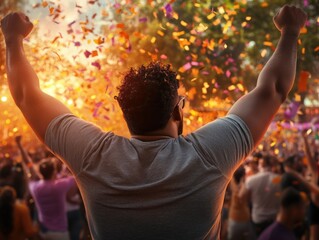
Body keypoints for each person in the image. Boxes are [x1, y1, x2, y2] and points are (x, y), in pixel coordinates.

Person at [0, 5, 307, 239]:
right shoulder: (210, 153)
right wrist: (290, 31)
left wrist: (13, 39)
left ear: (126, 115)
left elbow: (27, 96)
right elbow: (273, 89)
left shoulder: (94, 155)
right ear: (177, 112)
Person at [240, 155, 282, 236]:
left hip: (258, 219)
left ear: (261, 165)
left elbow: (242, 198)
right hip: (275, 219)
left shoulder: (251, 180)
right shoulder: (280, 179)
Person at [228, 166, 255, 240]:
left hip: (235, 218)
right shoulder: (244, 187)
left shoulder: (232, 184)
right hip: (244, 217)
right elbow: (240, 198)